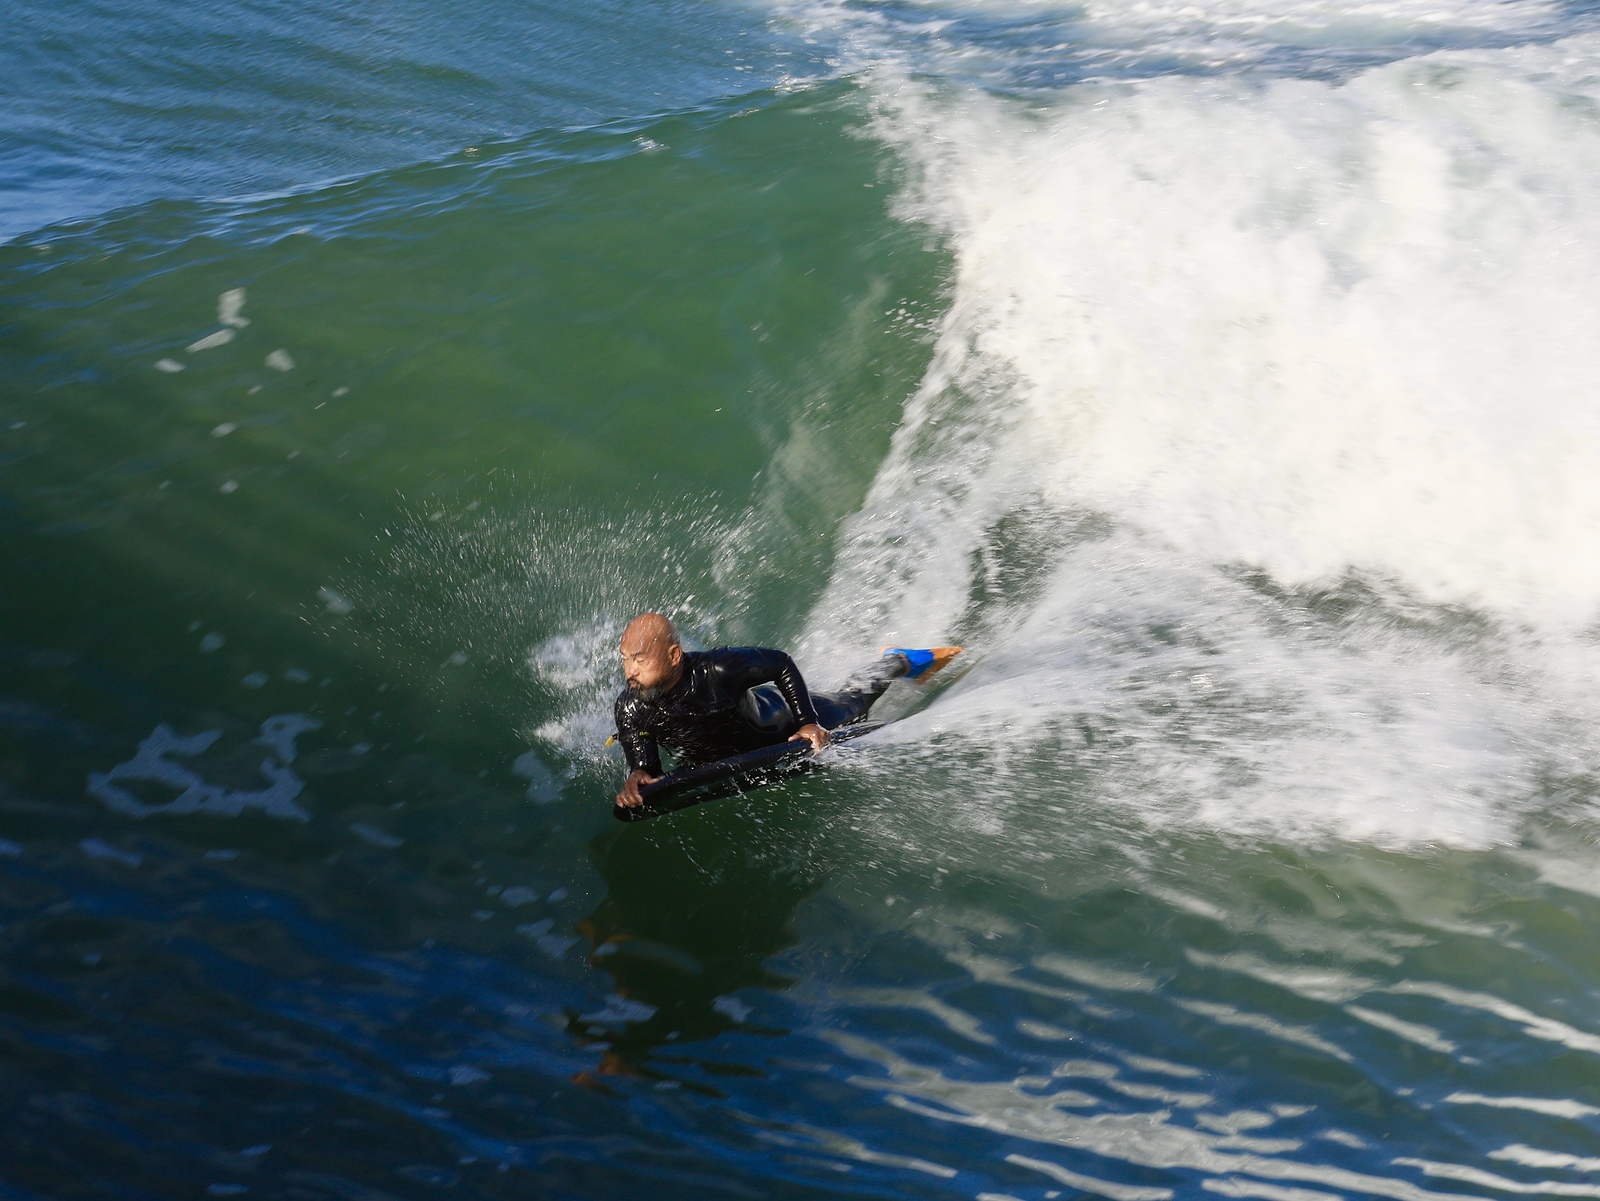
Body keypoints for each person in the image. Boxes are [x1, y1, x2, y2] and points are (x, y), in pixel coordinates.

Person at [613, 612, 960, 809]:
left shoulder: (717, 669)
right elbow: (646, 767)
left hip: (779, 724)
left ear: (674, 656)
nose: (630, 671)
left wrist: (808, 722)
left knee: (852, 703)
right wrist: (638, 776)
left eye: (640, 660)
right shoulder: (631, 706)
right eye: (626, 659)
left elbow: (780, 663)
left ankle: (896, 660)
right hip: (728, 751)